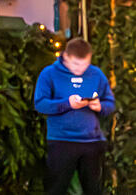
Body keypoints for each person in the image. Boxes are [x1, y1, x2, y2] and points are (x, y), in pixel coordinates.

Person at [35, 37, 115, 195]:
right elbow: (40, 104)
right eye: (76, 64)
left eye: (85, 64)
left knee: (93, 189)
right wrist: (67, 104)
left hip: (92, 141)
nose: (81, 69)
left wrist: (100, 106)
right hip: (61, 141)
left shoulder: (96, 74)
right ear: (65, 57)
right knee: (56, 188)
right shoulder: (49, 74)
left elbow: (110, 104)